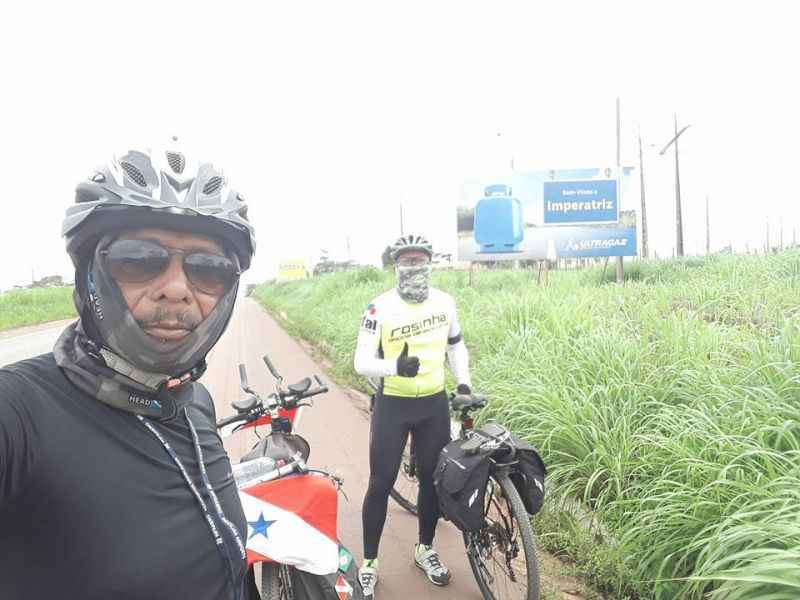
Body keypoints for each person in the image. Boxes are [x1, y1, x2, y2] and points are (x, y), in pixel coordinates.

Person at [0, 147, 256, 600]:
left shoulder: (193, 403)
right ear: (89, 276)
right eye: (138, 260)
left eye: (209, 269)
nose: (177, 290)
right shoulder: (20, 411)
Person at [354, 234, 472, 598]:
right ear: (396, 266)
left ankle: (425, 549)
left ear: (430, 264)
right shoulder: (379, 307)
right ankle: (370, 563)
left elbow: (456, 345)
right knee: (381, 481)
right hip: (394, 404)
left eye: (420, 261)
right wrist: (394, 366)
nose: (414, 267)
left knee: (431, 481)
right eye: (407, 261)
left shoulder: (445, 302)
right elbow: (360, 361)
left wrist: (464, 383)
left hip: (433, 405)